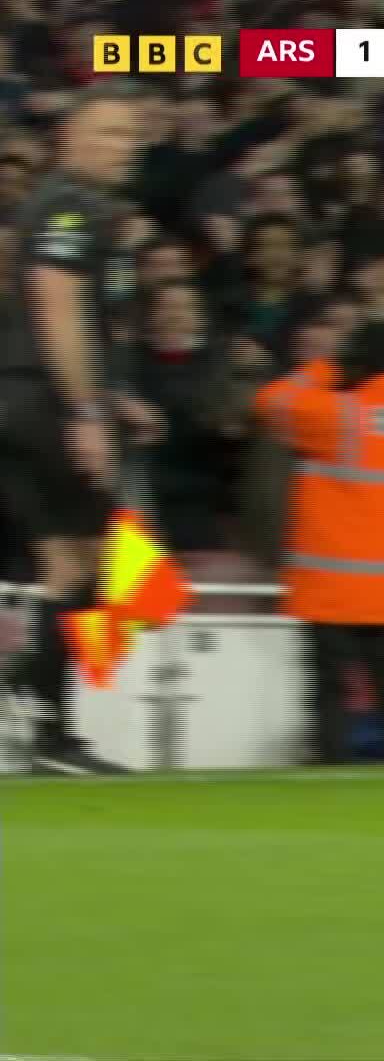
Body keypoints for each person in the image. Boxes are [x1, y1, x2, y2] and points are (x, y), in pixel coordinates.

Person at [0, 81, 153, 775]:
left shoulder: (72, 208)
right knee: (97, 564)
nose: (125, 147)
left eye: (131, 135)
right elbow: (56, 305)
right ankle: (40, 712)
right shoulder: (71, 208)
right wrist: (86, 410)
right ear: (69, 138)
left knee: (64, 567)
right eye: (109, 133)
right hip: (47, 406)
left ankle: (44, 727)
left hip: (28, 399)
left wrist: (113, 397)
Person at [254, 251, 384, 764]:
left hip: (332, 588)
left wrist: (326, 366)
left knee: (329, 693)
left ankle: (332, 774)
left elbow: (271, 401)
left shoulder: (338, 413)